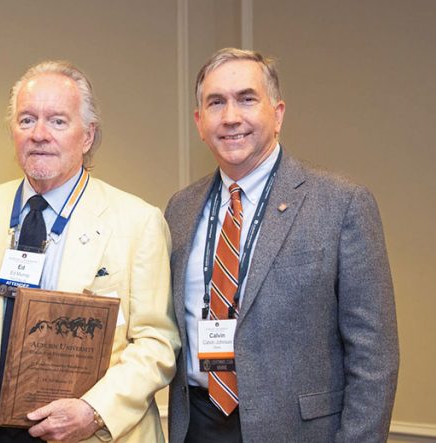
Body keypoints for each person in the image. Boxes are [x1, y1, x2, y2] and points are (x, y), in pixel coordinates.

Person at [165, 47, 399, 442]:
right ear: (199, 122)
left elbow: (375, 358)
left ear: (278, 114)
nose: (231, 117)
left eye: (247, 99)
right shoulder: (180, 208)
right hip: (197, 425)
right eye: (216, 103)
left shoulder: (342, 204)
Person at [0, 61, 180, 442]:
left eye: (57, 121)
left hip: (91, 430)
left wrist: (93, 411)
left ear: (88, 136)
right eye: (27, 120)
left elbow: (158, 343)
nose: (39, 134)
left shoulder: (138, 221)